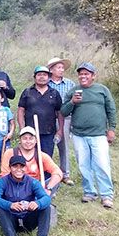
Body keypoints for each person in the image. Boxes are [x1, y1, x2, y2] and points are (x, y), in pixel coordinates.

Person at [61, 62, 117, 208]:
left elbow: (111, 109)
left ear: (93, 76)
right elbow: (63, 111)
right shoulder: (73, 91)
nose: (83, 76)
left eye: (86, 74)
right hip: (79, 134)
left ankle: (106, 195)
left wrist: (111, 129)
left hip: (99, 134)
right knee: (84, 165)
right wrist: (72, 102)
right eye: (81, 74)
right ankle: (89, 192)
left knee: (102, 164)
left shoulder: (102, 90)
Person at [0, 155, 51, 236]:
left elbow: (47, 198)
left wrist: (37, 203)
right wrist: (10, 205)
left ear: (26, 168)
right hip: (12, 219)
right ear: (10, 167)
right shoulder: (2, 182)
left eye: (21, 166)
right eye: (15, 166)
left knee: (46, 207)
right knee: (1, 207)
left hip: (28, 219)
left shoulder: (33, 182)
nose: (18, 169)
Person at [0, 127, 63, 196]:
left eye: (31, 138)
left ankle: (43, 199)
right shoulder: (10, 153)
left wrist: (48, 188)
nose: (28, 141)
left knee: (56, 179)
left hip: (34, 187)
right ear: (20, 140)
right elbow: (4, 175)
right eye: (25, 138)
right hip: (15, 186)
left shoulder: (41, 155)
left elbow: (57, 172)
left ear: (36, 140)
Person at [18, 66, 63, 156]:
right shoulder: (27, 92)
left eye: (44, 75)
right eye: (39, 75)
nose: (42, 77)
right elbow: (20, 110)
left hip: (48, 133)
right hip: (30, 133)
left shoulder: (54, 93)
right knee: (30, 157)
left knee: (46, 158)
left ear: (49, 77)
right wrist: (22, 128)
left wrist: (60, 130)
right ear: (35, 77)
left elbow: (59, 112)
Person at [47, 57, 76, 186]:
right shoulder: (46, 83)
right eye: (58, 67)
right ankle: (49, 172)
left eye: (62, 68)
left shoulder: (70, 84)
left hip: (65, 117)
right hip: (48, 118)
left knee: (63, 145)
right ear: (51, 70)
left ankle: (65, 174)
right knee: (48, 145)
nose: (61, 70)